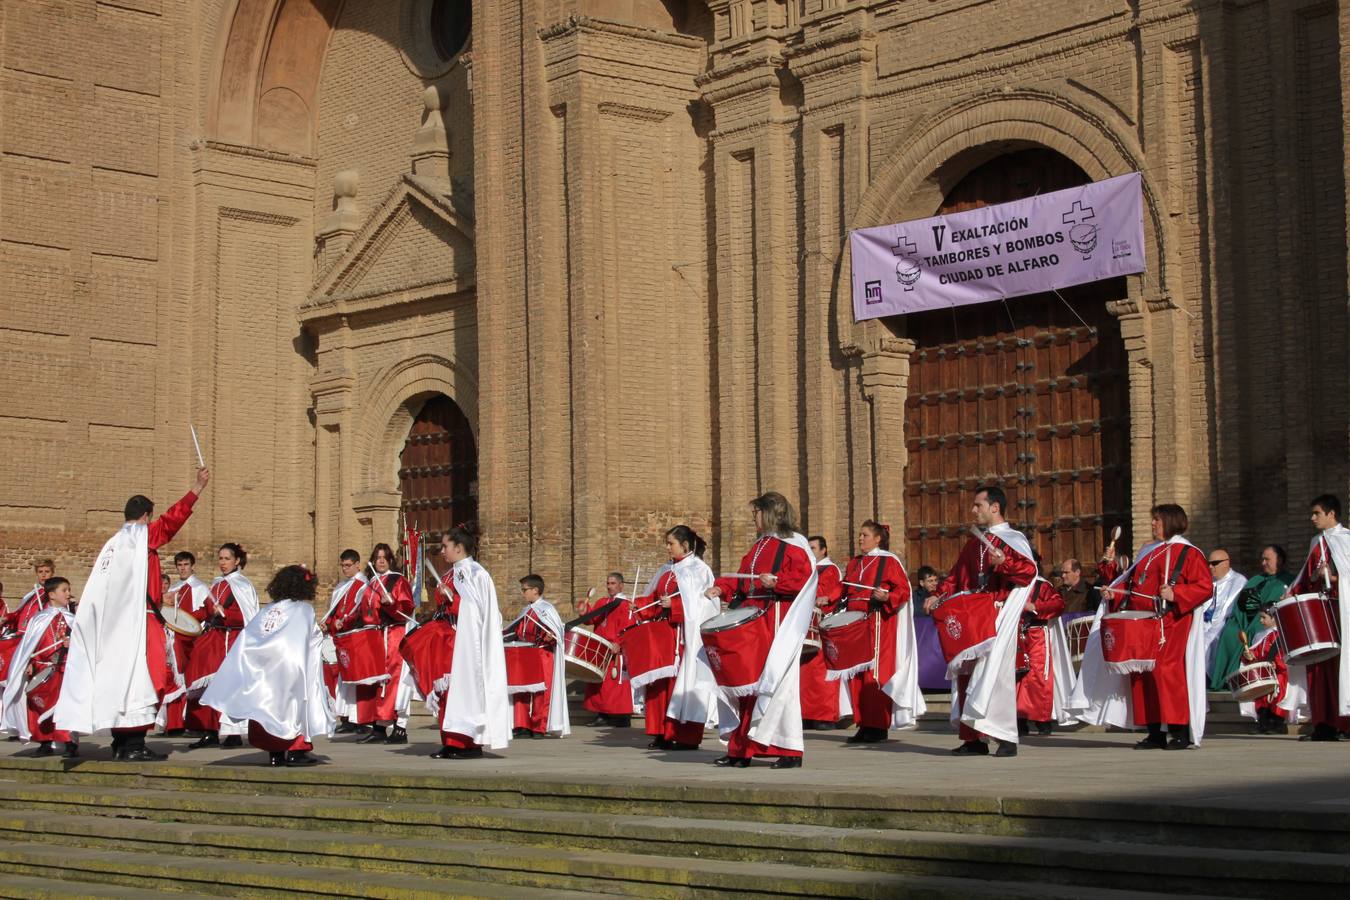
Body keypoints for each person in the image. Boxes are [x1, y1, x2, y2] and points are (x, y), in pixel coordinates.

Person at [54, 467, 210, 761]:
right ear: (145, 517)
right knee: (149, 678)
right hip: (140, 621)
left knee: (118, 679)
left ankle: (122, 742)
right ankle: (134, 745)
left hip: (113, 625)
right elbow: (171, 522)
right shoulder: (141, 536)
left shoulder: (111, 545)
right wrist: (197, 488)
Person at [1086, 504, 1213, 750]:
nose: (1153, 524)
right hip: (1142, 623)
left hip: (1170, 623)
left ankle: (1179, 730)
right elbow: (1134, 584)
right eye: (1153, 519)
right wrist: (1116, 594)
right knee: (1141, 674)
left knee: (1167, 672)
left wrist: (1176, 592)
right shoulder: (1148, 551)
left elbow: (1205, 587)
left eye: (1157, 519)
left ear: (1171, 521)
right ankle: (1154, 731)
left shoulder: (1188, 552)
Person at [705, 492, 817, 769]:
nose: (753, 517)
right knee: (747, 684)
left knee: (777, 686)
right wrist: (723, 587)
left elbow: (805, 581)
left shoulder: (794, 544)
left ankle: (789, 751)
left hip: (778, 622)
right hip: (754, 621)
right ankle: (740, 750)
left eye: (756, 512)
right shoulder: (758, 546)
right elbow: (744, 579)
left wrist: (776, 582)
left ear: (770, 513)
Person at [925, 486, 1038, 757]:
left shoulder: (1013, 539)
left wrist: (1005, 563)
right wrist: (937, 596)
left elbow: (1029, 573)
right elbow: (955, 577)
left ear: (994, 508)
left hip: (996, 618)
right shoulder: (975, 543)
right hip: (972, 618)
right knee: (967, 675)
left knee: (996, 677)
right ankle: (973, 739)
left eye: (978, 505)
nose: (974, 510)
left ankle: (1005, 738)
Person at [201, 565, 332, 767]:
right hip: (290, 667)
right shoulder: (303, 609)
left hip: (264, 667)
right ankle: (297, 751)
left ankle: (275, 753)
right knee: (293, 707)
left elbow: (251, 636)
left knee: (267, 707)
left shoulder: (268, 609)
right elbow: (307, 638)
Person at [631, 526, 718, 750]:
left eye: (671, 543)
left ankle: (685, 736)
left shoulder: (699, 570)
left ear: (685, 545)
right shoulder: (665, 569)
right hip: (663, 638)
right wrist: (639, 605)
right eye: (667, 543)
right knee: (659, 687)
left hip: (684, 639)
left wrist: (676, 605)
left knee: (682, 686)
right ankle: (662, 733)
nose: (667, 547)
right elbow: (652, 598)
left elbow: (706, 604)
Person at [429, 523, 511, 759]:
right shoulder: (451, 572)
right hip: (449, 642)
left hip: (467, 645)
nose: (442, 551)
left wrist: (454, 599)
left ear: (459, 547)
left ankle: (467, 743)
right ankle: (450, 740)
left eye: (446, 546)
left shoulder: (476, 573)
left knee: (466, 691)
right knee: (447, 694)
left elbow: (479, 611)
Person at [837, 522, 923, 744]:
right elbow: (844, 591)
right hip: (855, 626)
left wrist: (887, 597)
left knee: (874, 675)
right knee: (856, 674)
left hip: (877, 624)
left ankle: (877, 726)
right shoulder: (855, 563)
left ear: (878, 539)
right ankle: (863, 723)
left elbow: (903, 590)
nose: (860, 539)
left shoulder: (888, 561)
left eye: (864, 535)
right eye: (859, 535)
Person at [1288, 494, 1350, 741]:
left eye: (1317, 513)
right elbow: (1303, 579)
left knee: (1341, 669)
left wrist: (1335, 578)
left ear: (1331, 514)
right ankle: (1323, 723)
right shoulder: (1316, 542)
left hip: (1341, 613)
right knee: (1318, 668)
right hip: (1319, 615)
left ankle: (1345, 724)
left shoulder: (1347, 541)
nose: (1312, 518)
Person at [184, 542, 258, 749]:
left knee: (230, 687)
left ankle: (233, 733)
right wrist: (180, 617)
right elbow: (205, 611)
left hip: (233, 641)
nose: (223, 563)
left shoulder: (243, 585)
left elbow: (248, 617)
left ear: (237, 561)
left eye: (227, 559)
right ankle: (209, 731)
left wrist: (224, 613)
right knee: (206, 685)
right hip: (214, 640)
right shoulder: (216, 584)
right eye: (220, 558)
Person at [2, 576, 78, 757]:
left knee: (63, 706)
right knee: (38, 706)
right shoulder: (39, 618)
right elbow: (28, 644)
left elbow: (84, 643)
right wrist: (27, 662)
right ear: (51, 595)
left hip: (63, 668)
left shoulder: (72, 618)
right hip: (41, 667)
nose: (68, 594)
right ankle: (44, 742)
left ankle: (69, 742)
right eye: (64, 590)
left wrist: (73, 642)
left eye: (68, 590)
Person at [351, 543, 414, 745]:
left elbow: (407, 607)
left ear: (390, 560)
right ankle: (378, 726)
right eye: (377, 557)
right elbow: (362, 611)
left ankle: (399, 727)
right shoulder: (370, 584)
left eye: (384, 557)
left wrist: (392, 604)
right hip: (375, 638)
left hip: (393, 635)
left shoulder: (397, 580)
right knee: (377, 681)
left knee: (394, 680)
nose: (380, 561)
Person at [1210, 546, 1294, 693]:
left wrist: (1254, 622)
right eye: (1262, 559)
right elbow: (1241, 604)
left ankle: (1247, 678)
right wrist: (1240, 620)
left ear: (1279, 560)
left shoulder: (1287, 581)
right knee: (1230, 631)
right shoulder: (1256, 579)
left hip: (1267, 622)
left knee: (1254, 629)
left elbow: (1278, 607)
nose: (1263, 563)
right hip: (1246, 620)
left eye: (1267, 559)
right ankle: (1224, 680)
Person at [504, 574, 568, 739]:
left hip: (542, 654)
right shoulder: (526, 610)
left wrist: (551, 636)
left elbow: (557, 634)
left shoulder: (547, 610)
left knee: (541, 691)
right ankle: (521, 724)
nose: (522, 593)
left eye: (525, 590)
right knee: (521, 690)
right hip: (524, 654)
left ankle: (539, 726)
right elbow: (517, 631)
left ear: (536, 590)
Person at [800, 535, 849, 730]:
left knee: (822, 673)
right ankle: (807, 714)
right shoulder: (807, 570)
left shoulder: (830, 569)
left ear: (824, 550)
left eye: (813, 548)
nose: (809, 551)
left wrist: (826, 597)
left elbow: (835, 590)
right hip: (806, 625)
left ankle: (825, 716)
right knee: (805, 673)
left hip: (823, 625)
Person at [1016, 575, 1073, 736]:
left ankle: (1041, 719)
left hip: (1037, 635)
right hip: (1014, 634)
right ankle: (1019, 719)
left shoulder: (1042, 585)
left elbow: (1058, 604)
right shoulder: (1010, 584)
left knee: (1038, 676)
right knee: (1016, 677)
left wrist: (1035, 606)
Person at [575, 572, 635, 727]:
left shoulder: (625, 604)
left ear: (621, 585)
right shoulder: (602, 602)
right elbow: (591, 620)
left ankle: (622, 716)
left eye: (613, 583)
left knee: (617, 684)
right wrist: (584, 611)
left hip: (615, 648)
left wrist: (619, 643)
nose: (610, 586)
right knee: (598, 682)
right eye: (608, 583)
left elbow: (629, 626)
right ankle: (602, 714)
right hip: (600, 646)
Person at [160, 551, 210, 735]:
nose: (182, 568)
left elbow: (203, 614)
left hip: (192, 640)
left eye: (186, 564)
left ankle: (192, 722)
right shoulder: (174, 588)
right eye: (179, 565)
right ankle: (173, 723)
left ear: (192, 565)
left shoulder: (200, 588)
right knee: (174, 679)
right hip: (173, 640)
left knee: (188, 680)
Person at [322, 549, 366, 734]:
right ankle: (347, 718)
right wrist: (329, 623)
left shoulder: (363, 585)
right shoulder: (341, 586)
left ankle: (360, 720)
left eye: (348, 565)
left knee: (356, 679)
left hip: (355, 636)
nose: (345, 569)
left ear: (358, 564)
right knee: (343, 679)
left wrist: (345, 621)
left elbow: (360, 611)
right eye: (343, 565)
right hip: (340, 638)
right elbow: (334, 610)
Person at [1240, 605, 1289, 735]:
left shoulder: (1283, 634)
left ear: (1274, 619)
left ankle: (1278, 724)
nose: (1261, 621)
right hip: (1264, 673)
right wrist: (1249, 655)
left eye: (1264, 617)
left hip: (1279, 674)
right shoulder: (1260, 635)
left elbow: (1286, 655)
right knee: (1261, 698)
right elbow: (1256, 652)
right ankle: (1263, 723)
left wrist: (1277, 663)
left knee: (1277, 697)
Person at [1201, 550, 1247, 677]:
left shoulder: (1238, 581)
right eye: (1208, 563)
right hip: (1204, 622)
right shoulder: (1208, 581)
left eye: (1214, 563)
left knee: (1207, 641)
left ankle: (1212, 678)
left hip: (1224, 623)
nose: (1210, 567)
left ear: (1226, 563)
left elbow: (1228, 609)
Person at [13, 560, 55, 635]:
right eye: (40, 572)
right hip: (21, 633)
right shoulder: (31, 594)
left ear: (52, 573)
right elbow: (18, 614)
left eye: (47, 571)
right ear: (37, 573)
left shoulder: (54, 594)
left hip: (38, 635)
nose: (43, 575)